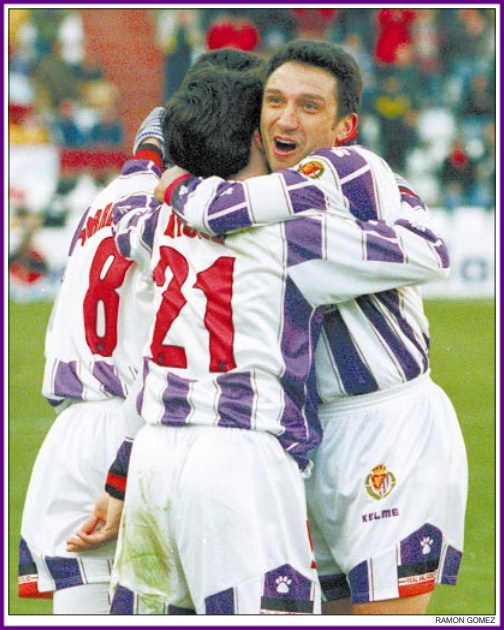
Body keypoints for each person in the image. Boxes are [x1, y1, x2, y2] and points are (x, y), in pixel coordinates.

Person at [69, 63, 450, 615]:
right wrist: (402, 197)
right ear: (255, 132)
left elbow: (129, 206)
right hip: (242, 455)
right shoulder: (294, 233)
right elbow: (425, 254)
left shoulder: (153, 224)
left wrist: (155, 154)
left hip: (155, 451)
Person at [18, 47, 265, 615]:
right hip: (140, 430)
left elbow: (147, 151)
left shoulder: (113, 196)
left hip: (70, 435)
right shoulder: (192, 219)